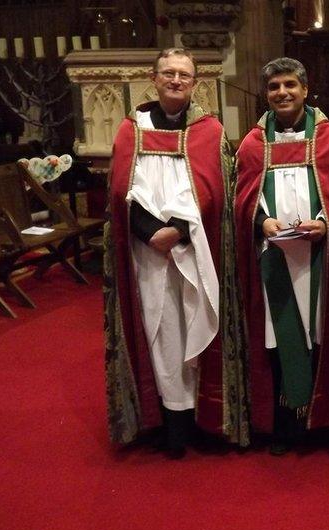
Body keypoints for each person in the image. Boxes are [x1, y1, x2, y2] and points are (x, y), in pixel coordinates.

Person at [104, 48, 247, 458]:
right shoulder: (131, 130)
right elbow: (118, 192)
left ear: (195, 82)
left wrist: (180, 229)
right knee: (160, 328)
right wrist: (152, 232)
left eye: (184, 75)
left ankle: (203, 418)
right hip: (146, 250)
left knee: (196, 320)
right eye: (168, 73)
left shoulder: (210, 130)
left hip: (195, 246)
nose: (176, 81)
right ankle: (170, 421)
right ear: (154, 78)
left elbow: (218, 188)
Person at [234, 58, 329, 455]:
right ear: (266, 95)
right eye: (274, 87)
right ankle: (286, 426)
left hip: (319, 255)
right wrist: (261, 219)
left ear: (304, 89)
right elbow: (243, 198)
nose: (282, 93)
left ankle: (321, 421)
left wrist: (324, 221)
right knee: (278, 339)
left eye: (289, 85)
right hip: (275, 258)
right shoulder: (253, 143)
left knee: (320, 333)